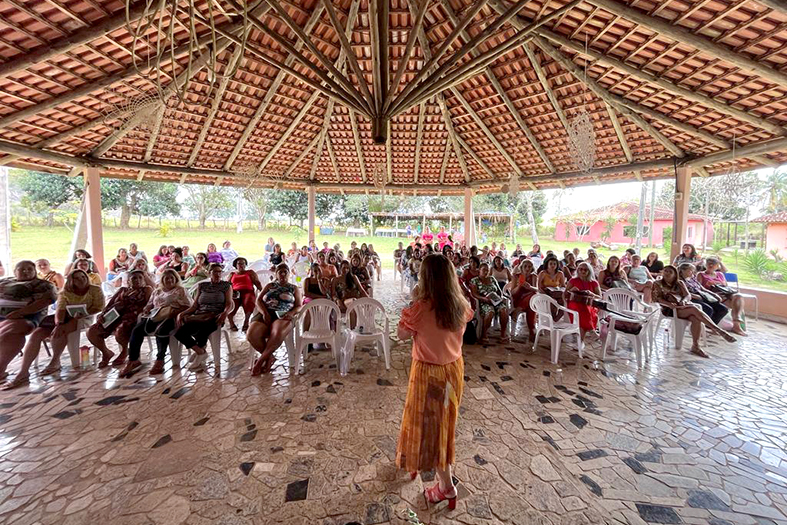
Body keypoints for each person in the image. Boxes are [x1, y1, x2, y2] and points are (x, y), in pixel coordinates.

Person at [396, 254, 472, 509]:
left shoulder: (421, 308)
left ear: (425, 277)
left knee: (430, 427)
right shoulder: (459, 304)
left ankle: (446, 487)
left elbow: (400, 334)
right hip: (453, 371)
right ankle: (420, 462)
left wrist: (415, 301)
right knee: (444, 424)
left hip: (429, 374)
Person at [6, 269, 104, 387]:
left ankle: (55, 361)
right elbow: (60, 309)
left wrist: (83, 313)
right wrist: (59, 323)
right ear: (72, 280)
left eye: (83, 277)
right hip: (65, 317)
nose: (81, 280)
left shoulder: (95, 289)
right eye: (77, 278)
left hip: (85, 317)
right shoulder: (65, 292)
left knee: (63, 330)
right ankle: (23, 371)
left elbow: (99, 307)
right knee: (37, 334)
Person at [653, 265, 736, 358]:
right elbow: (657, 299)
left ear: (674, 274)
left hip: (682, 306)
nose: (667, 273)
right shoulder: (657, 283)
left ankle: (695, 346)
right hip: (669, 309)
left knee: (695, 318)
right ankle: (718, 329)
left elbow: (688, 295)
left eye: (670, 272)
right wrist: (669, 304)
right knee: (694, 309)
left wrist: (684, 301)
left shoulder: (679, 283)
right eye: (665, 271)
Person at [120, 269, 191, 376]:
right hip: (155, 316)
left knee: (161, 330)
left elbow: (188, 305)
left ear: (176, 279)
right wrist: (146, 309)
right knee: (137, 330)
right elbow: (149, 305)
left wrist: (175, 312)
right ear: (162, 280)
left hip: (171, 317)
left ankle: (160, 360)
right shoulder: (157, 291)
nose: (169, 280)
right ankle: (133, 360)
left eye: (172, 278)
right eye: (166, 278)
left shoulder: (180, 290)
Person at [0, 261, 58, 383]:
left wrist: (20, 312)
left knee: (11, 330)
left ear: (35, 271)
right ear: (15, 271)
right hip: (3, 316)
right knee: (6, 330)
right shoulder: (4, 281)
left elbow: (46, 301)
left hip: (27, 316)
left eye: (29, 269)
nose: (26, 272)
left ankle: (1, 369)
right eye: (22, 269)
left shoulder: (43, 285)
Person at [171, 264, 232, 372]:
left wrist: (225, 313)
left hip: (215, 315)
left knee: (204, 327)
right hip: (200, 315)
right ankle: (200, 351)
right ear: (209, 273)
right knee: (179, 332)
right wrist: (182, 314)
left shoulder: (226, 286)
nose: (217, 274)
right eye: (214, 272)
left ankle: (200, 351)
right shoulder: (202, 286)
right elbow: (195, 306)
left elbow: (229, 303)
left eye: (219, 272)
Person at [87, 271, 152, 367]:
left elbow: (149, 304)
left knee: (121, 329)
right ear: (129, 281)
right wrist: (103, 314)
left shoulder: (146, 290)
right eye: (134, 278)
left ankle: (124, 351)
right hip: (113, 317)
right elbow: (110, 304)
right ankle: (106, 353)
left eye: (140, 278)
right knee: (92, 331)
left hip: (132, 318)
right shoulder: (122, 290)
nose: (137, 280)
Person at [247, 263, 302, 375]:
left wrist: (291, 313)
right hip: (266, 312)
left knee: (276, 333)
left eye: (285, 272)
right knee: (251, 335)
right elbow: (258, 300)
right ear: (276, 274)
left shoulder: (293, 288)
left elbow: (299, 305)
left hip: (283, 314)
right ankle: (269, 357)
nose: (282, 274)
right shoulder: (270, 286)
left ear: (288, 274)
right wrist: (264, 313)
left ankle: (260, 361)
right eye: (280, 272)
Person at [697, 257, 747, 335]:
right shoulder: (701, 274)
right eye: (708, 263)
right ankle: (736, 326)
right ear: (705, 264)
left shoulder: (720, 274)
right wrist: (711, 290)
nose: (710, 265)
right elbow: (698, 288)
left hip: (725, 294)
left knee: (738, 296)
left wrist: (717, 283)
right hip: (712, 296)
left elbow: (725, 286)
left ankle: (736, 323)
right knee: (735, 304)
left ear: (717, 266)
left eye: (713, 264)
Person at [471, 262, 510, 343]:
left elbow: (499, 291)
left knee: (503, 310)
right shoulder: (475, 280)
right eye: (484, 270)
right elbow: (474, 294)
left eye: (487, 270)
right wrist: (483, 298)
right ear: (479, 270)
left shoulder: (492, 279)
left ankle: (503, 334)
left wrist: (501, 297)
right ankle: (484, 334)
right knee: (490, 312)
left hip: (496, 301)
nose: (486, 272)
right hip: (484, 302)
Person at [565, 262, 601, 342]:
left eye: (585, 270)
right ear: (577, 270)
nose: (583, 271)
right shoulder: (573, 280)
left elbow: (600, 297)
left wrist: (591, 294)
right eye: (580, 269)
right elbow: (565, 295)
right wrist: (571, 290)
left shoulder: (594, 282)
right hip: (574, 304)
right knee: (584, 310)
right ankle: (591, 330)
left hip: (590, 305)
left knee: (585, 310)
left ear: (589, 271)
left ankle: (580, 342)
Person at [228, 257, 263, 332]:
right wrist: (230, 293)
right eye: (239, 263)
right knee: (231, 304)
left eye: (243, 263)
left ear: (245, 265)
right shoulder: (232, 274)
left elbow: (257, 282)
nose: (241, 265)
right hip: (235, 292)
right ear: (235, 265)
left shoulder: (250, 272)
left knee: (248, 301)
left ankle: (246, 322)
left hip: (248, 291)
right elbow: (227, 285)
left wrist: (263, 292)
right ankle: (231, 323)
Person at [508, 259, 537, 341]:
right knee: (532, 302)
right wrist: (519, 286)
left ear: (532, 268)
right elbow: (512, 293)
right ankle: (532, 330)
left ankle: (517, 311)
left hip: (529, 300)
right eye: (525, 266)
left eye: (529, 266)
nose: (527, 268)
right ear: (521, 267)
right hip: (518, 299)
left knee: (532, 299)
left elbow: (536, 289)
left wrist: (530, 287)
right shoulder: (516, 276)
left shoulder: (534, 276)